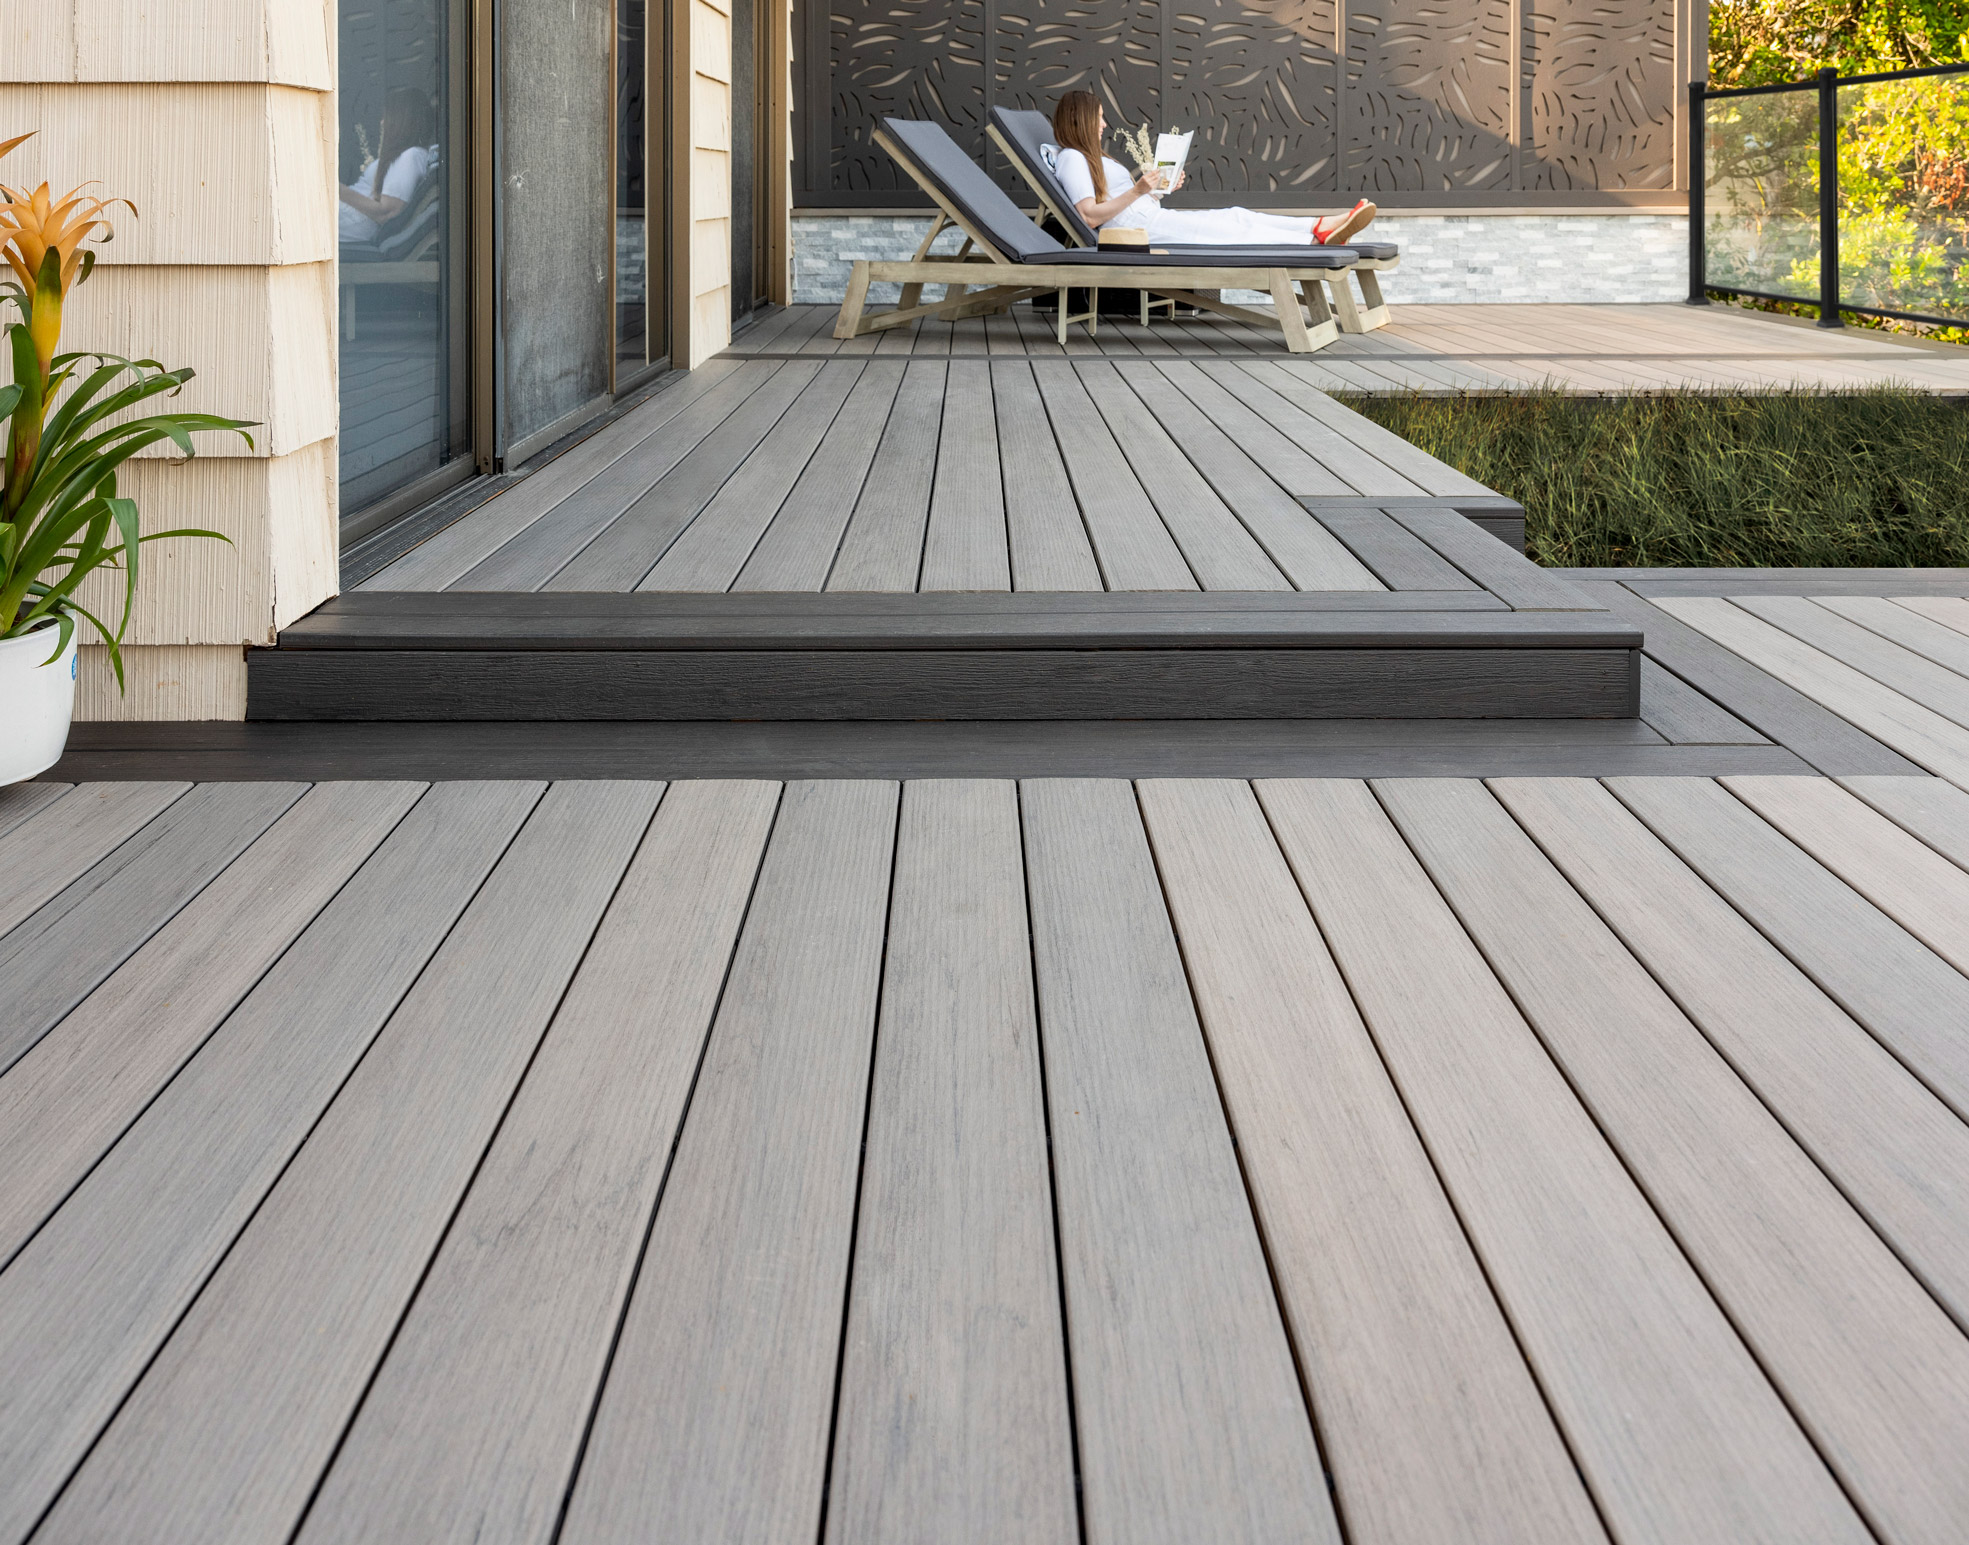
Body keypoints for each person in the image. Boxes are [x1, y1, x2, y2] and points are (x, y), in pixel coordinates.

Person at [1049, 90, 1375, 247]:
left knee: (1237, 215)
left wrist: (1158, 191)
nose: (1104, 124)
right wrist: (1139, 189)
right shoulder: (1072, 158)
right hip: (1136, 233)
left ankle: (1323, 224)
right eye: (1099, 117)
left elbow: (1119, 202)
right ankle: (1315, 240)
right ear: (1080, 119)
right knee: (1234, 230)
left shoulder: (1096, 159)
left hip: (1148, 219)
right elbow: (1090, 216)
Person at [340, 87, 436, 245]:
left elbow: (387, 213)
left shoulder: (411, 156)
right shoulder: (405, 155)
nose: (382, 122)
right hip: (349, 216)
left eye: (387, 116)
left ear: (403, 120)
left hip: (355, 221)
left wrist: (338, 190)